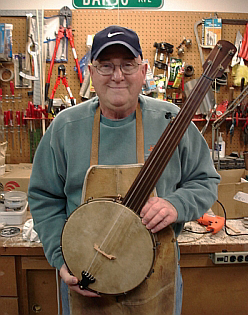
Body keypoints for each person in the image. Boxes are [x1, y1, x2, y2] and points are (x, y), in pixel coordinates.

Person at [28, 25, 220, 315]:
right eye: (106, 66)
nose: (117, 76)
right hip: (86, 281)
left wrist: (176, 204)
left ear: (143, 71)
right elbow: (44, 198)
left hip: (157, 285)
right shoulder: (64, 128)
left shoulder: (172, 121)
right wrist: (61, 257)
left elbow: (205, 181)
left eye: (127, 65)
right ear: (91, 73)